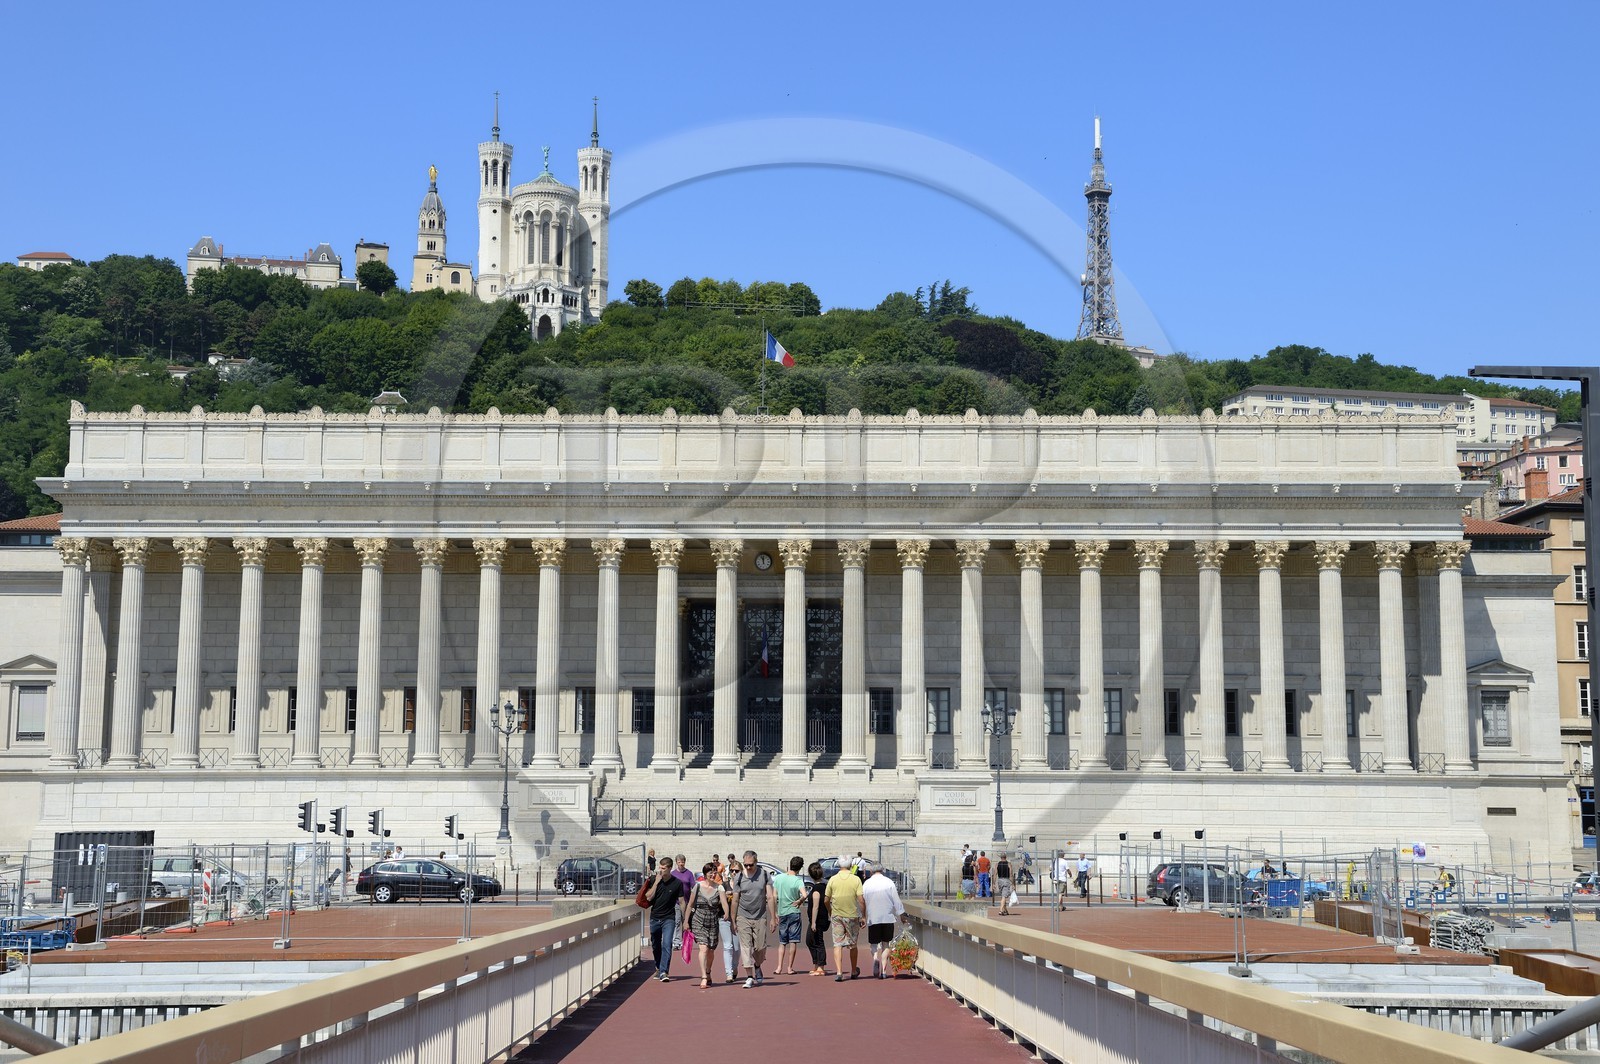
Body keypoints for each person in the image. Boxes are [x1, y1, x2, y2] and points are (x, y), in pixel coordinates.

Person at [731, 850, 777, 988]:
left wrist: (773, 917)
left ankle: (757, 966)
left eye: (751, 865)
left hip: (760, 915)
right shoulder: (738, 877)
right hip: (743, 915)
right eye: (746, 865)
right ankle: (749, 976)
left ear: (756, 862)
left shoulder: (764, 875)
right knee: (746, 947)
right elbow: (735, 900)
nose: (748, 867)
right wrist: (733, 920)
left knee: (760, 947)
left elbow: (770, 897)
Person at [685, 860, 731, 988]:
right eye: (710, 873)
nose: (713, 875)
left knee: (711, 950)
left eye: (714, 872)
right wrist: (685, 922)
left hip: (713, 920)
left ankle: (708, 971)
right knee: (703, 948)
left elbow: (724, 903)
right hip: (698, 920)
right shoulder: (698, 886)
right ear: (705, 874)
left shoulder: (719, 887)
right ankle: (703, 976)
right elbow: (690, 904)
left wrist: (726, 913)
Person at [643, 858, 686, 982]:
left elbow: (682, 902)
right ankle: (658, 966)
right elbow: (649, 897)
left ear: (669, 868)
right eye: (660, 867)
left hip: (669, 918)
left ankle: (664, 971)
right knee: (656, 945)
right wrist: (656, 882)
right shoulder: (653, 880)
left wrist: (685, 919)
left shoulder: (677, 883)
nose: (661, 870)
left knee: (667, 944)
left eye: (663, 868)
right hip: (655, 917)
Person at [825, 852, 865, 982]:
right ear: (851, 865)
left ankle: (839, 971)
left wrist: (830, 910)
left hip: (837, 914)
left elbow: (826, 899)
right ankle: (853, 970)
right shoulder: (855, 879)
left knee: (837, 943)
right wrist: (863, 916)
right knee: (853, 944)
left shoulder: (832, 879)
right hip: (852, 915)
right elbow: (861, 900)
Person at [861, 867, 905, 978]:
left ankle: (875, 958)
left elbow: (862, 900)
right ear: (882, 871)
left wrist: (863, 916)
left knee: (874, 944)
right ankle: (884, 971)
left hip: (873, 917)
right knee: (886, 944)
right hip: (888, 917)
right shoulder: (889, 882)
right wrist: (902, 915)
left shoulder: (867, 884)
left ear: (871, 872)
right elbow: (896, 900)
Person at [773, 856, 807, 975]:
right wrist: (799, 901)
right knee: (793, 940)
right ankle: (789, 968)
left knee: (782, 942)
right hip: (794, 912)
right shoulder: (797, 880)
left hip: (782, 912)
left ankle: (779, 967)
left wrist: (775, 912)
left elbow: (774, 896)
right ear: (800, 868)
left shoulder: (778, 878)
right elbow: (804, 894)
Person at [804, 860, 830, 976]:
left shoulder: (816, 889)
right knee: (810, 940)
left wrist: (813, 922)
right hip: (822, 918)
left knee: (818, 941)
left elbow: (815, 907)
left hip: (818, 920)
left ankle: (821, 967)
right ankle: (817, 964)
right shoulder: (824, 886)